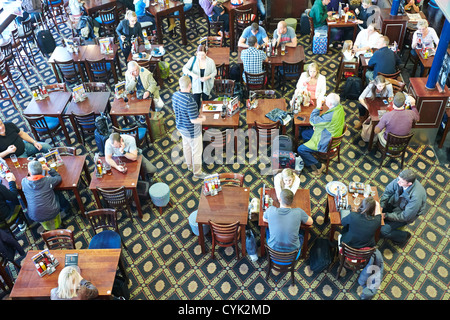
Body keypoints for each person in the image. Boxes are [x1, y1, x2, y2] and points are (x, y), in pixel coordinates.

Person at [297, 93, 346, 176]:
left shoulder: (330, 116)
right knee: (304, 134)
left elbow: (312, 121)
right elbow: (327, 123)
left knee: (300, 149)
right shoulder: (339, 107)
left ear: (330, 104)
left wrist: (318, 107)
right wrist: (319, 126)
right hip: (331, 133)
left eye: (326, 99)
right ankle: (311, 153)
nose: (325, 99)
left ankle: (319, 165)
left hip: (325, 140)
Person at [172, 76, 207, 179]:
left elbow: (178, 110)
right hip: (192, 130)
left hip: (180, 126)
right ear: (190, 85)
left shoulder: (175, 95)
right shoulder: (190, 100)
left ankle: (189, 165)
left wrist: (195, 114)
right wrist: (203, 119)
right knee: (196, 151)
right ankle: (197, 172)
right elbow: (193, 120)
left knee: (186, 146)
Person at [380, 169, 427, 245]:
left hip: (404, 214)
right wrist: (381, 206)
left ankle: (404, 236)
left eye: (401, 182)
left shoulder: (416, 196)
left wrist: (386, 215)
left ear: (409, 184)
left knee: (383, 230)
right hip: (395, 203)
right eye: (398, 179)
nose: (398, 182)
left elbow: (406, 216)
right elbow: (387, 192)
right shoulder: (400, 180)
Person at [21, 161, 70, 231]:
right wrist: (49, 169)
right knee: (56, 192)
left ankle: (46, 227)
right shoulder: (48, 180)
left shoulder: (24, 182)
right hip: (53, 212)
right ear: (42, 170)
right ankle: (67, 209)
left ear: (29, 172)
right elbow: (58, 178)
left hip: (34, 216)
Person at [263, 189, 313, 257]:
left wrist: (273, 222)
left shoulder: (271, 210)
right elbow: (310, 222)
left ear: (279, 199)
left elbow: (264, 219)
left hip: (273, 254)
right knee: (301, 233)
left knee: (267, 229)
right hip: (292, 255)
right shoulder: (298, 212)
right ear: (292, 201)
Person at [182, 45, 217, 109]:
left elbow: (214, 72)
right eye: (199, 55)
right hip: (196, 84)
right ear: (196, 53)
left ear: (206, 53)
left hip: (206, 84)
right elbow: (184, 68)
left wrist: (207, 77)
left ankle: (205, 114)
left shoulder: (210, 61)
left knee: (205, 101)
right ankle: (197, 114)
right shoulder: (193, 59)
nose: (201, 57)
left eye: (203, 55)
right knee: (196, 101)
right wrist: (192, 74)